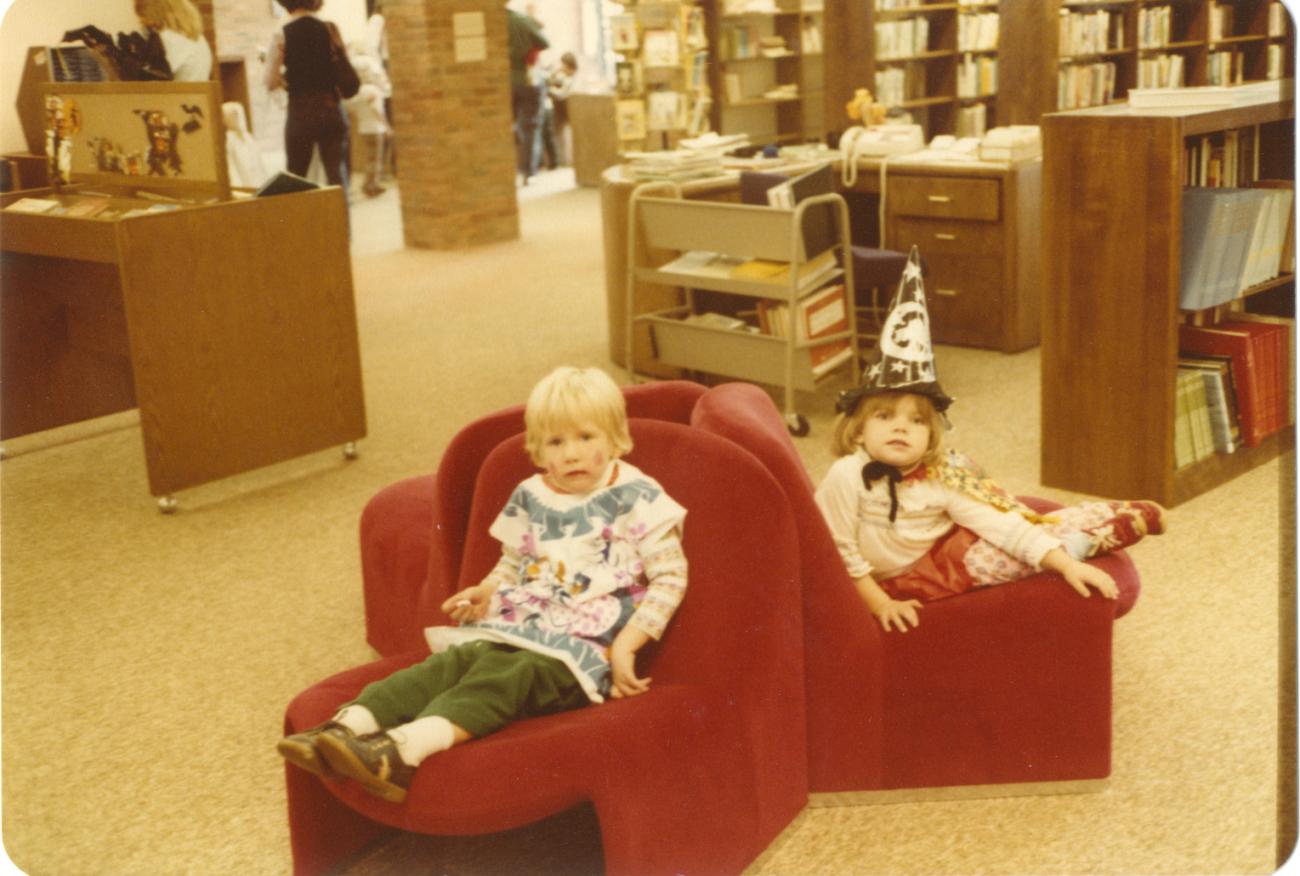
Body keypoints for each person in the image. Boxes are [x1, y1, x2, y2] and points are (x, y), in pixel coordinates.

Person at [277, 366, 689, 802]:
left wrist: (628, 643)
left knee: (504, 677)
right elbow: (512, 565)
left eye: (586, 438)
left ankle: (401, 752)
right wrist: (487, 591)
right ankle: (343, 731)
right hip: (519, 626)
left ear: (615, 438)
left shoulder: (638, 496)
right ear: (537, 450)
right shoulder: (533, 495)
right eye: (556, 442)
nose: (570, 455)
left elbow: (671, 576)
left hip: (580, 651)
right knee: (444, 666)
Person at [815, 248, 1165, 633]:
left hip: (944, 546)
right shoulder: (846, 476)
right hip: (895, 580)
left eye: (916, 421)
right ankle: (1088, 532)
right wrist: (880, 603)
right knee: (995, 560)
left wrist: (1066, 567)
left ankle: (1094, 523)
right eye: (884, 416)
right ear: (858, 429)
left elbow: (997, 525)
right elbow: (837, 552)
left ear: (931, 435)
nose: (901, 428)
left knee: (1012, 527)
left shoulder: (937, 474)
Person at [264, 0, 352, 189]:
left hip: (301, 112)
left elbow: (270, 82)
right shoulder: (330, 29)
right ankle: (342, 217)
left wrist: (285, 77)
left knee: (297, 176)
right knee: (337, 175)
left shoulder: (282, 34)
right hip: (331, 107)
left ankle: (303, 217)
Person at [507, 7, 548, 185]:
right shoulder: (521, 20)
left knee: (510, 123)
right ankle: (527, 171)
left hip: (506, 80)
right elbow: (544, 42)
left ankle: (511, 167)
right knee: (530, 125)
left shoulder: (492, 21)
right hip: (527, 78)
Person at [133, 0, 213, 80]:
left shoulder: (168, 38)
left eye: (143, 15)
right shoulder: (198, 37)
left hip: (180, 91)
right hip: (199, 91)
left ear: (156, 12)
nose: (141, 21)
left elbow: (154, 78)